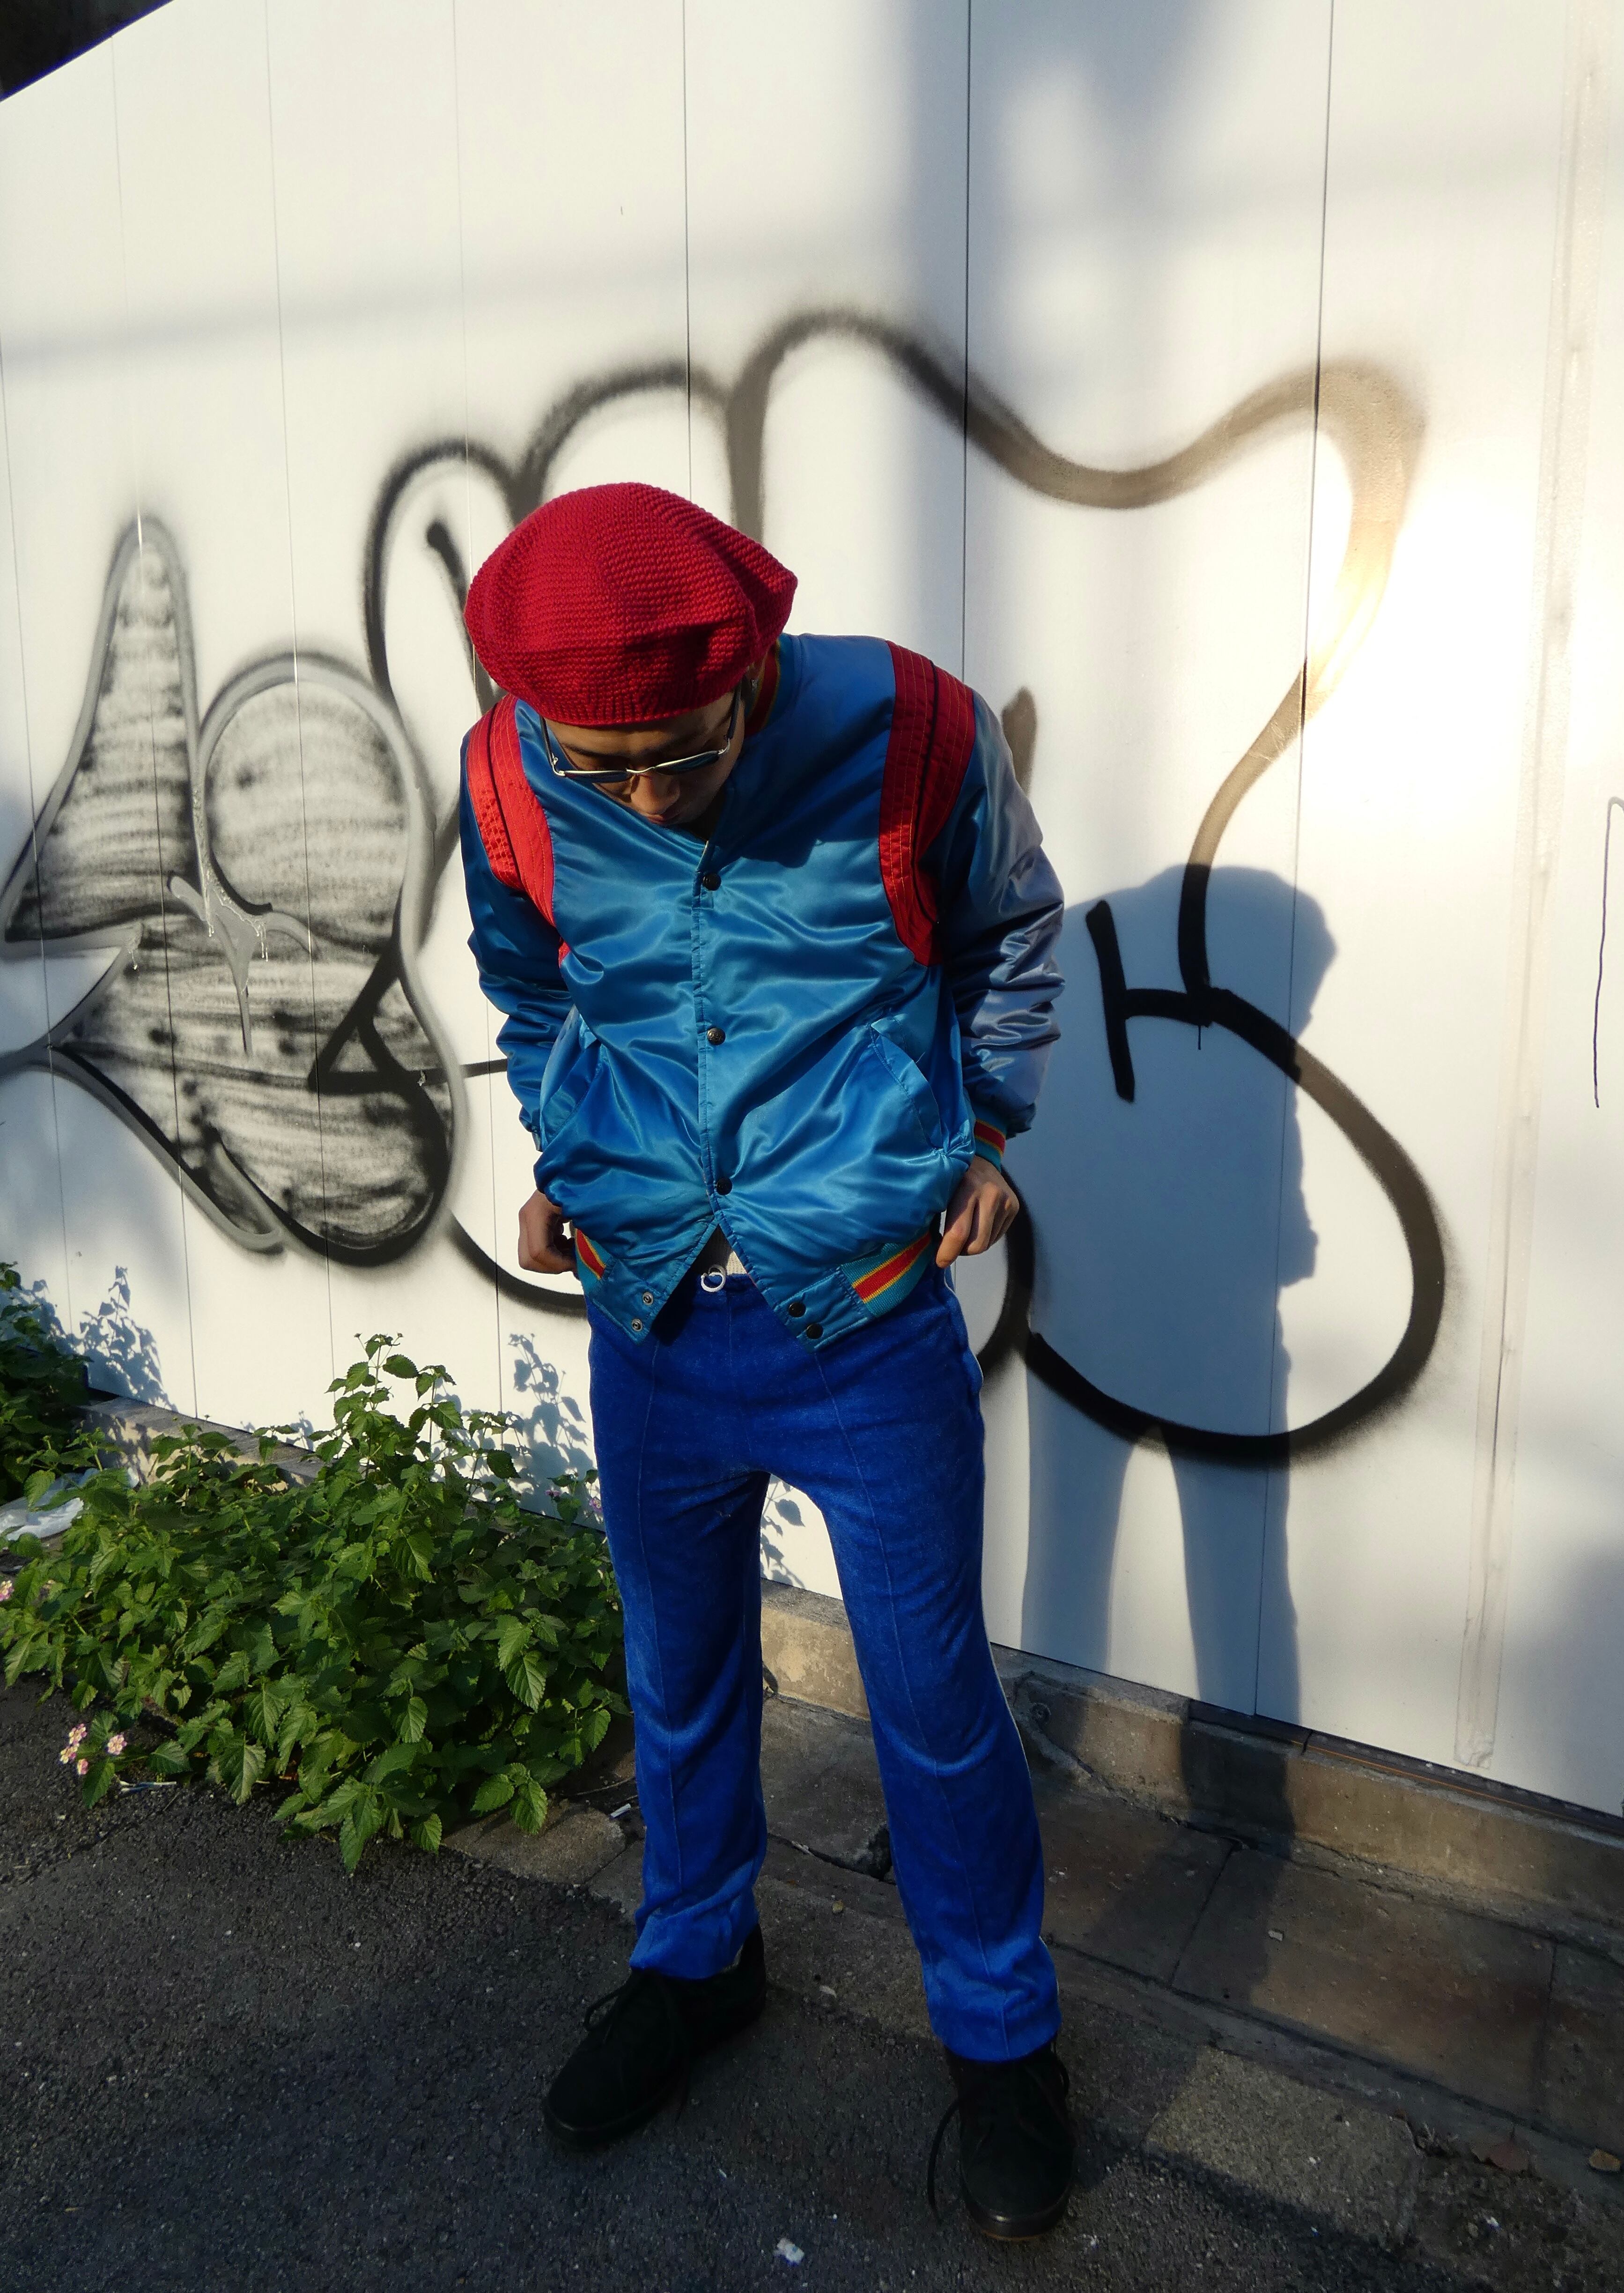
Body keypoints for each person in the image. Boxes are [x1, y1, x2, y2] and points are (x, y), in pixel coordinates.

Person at [458, 481, 1070, 2240]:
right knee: (680, 1672)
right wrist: (576, 1153)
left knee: (932, 1700)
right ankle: (696, 1959)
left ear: (754, 670)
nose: (649, 796)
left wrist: (987, 1130)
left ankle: (1003, 2036)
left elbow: (1014, 931)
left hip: (864, 1321)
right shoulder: (507, 780)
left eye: (685, 754)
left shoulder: (917, 733)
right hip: (651, 1316)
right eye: (606, 768)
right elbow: (533, 988)